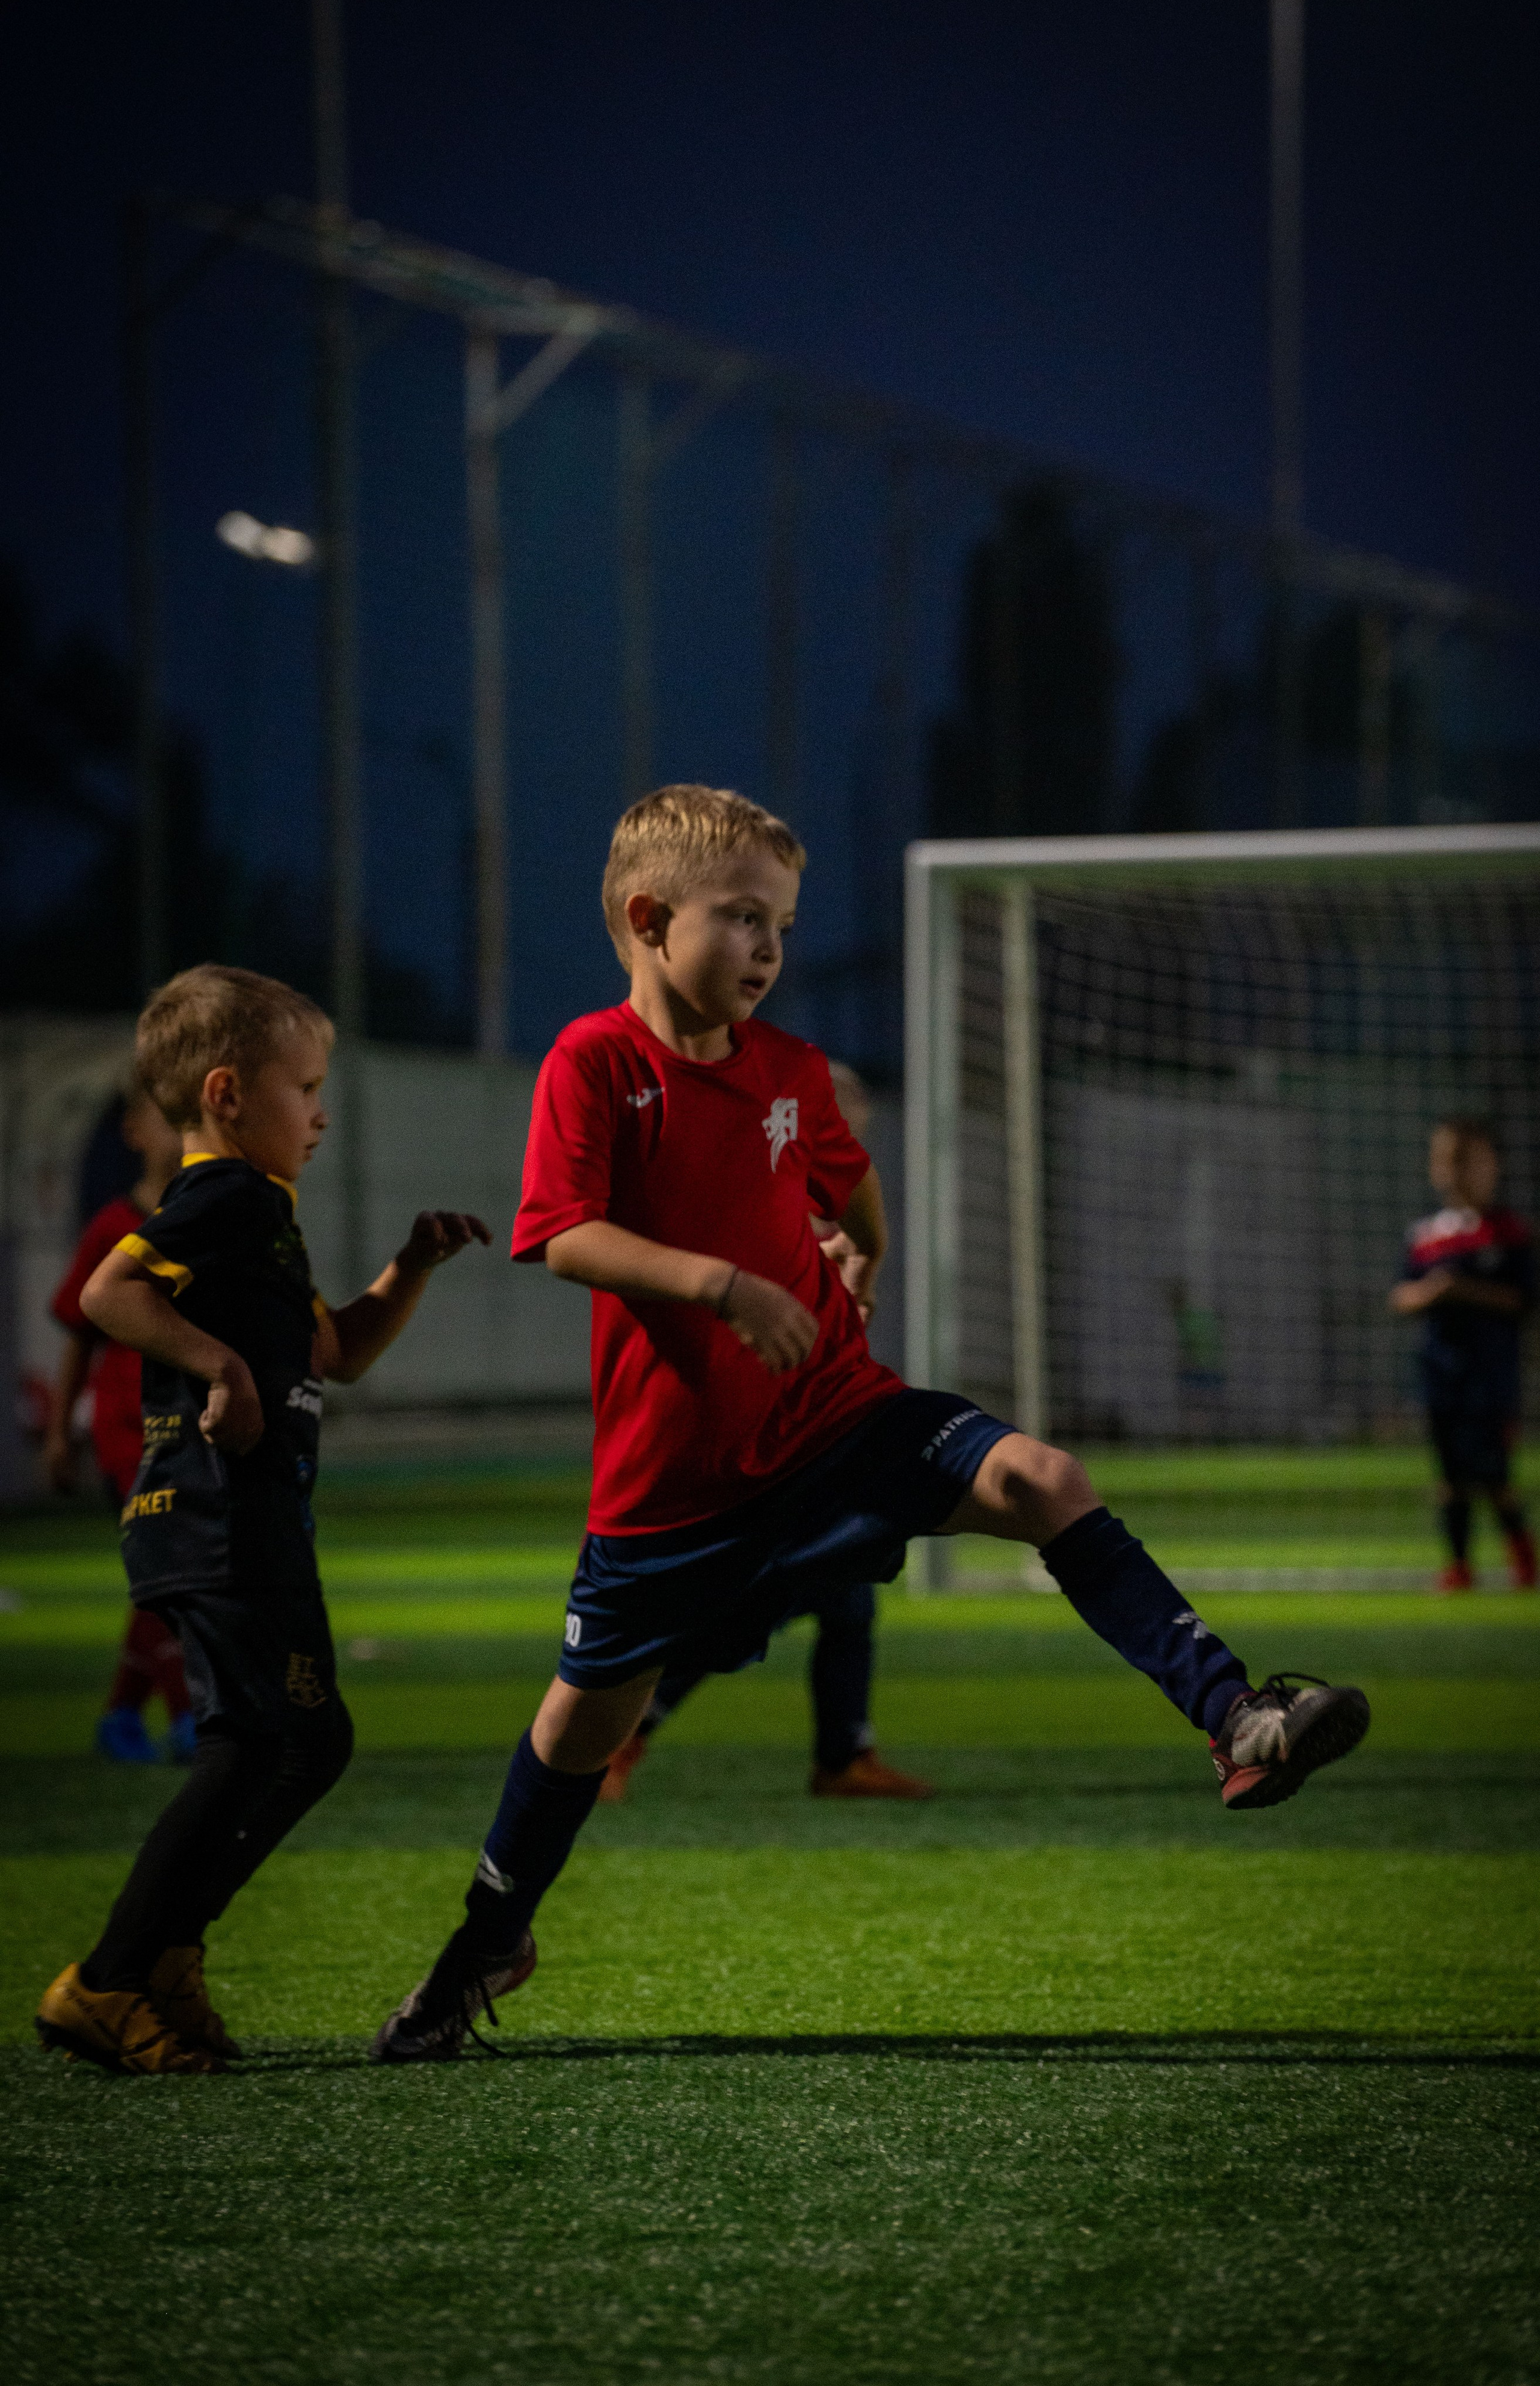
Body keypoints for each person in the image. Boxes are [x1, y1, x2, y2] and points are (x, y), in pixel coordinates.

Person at [371, 785, 1372, 2064]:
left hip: (839, 1415)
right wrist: (722, 1282)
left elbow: (846, 1180)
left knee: (1039, 1475)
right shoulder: (595, 1063)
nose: (769, 948)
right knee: (576, 1732)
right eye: (741, 918)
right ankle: (483, 1945)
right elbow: (561, 1235)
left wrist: (861, 1256)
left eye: (780, 922)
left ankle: (1235, 1717)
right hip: (669, 1490)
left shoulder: (789, 1071)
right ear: (645, 916)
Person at [35, 964, 490, 2076]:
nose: (322, 1110)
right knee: (255, 1744)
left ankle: (167, 1953)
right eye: (307, 1085)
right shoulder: (227, 1197)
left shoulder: (261, 1213)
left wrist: (411, 1265)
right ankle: (108, 1978)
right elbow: (106, 1294)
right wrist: (219, 1363)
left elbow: (332, 1353)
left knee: (308, 1738)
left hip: (255, 1512)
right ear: (231, 1093)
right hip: (216, 1508)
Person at [600, 1059, 930, 1805]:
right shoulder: (754, 1202)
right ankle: (622, 1736)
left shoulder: (832, 1211)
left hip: (818, 1433)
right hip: (760, 1444)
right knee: (754, 1599)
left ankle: (844, 1755)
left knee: (849, 1595)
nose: (846, 1145)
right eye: (834, 1126)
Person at [46, 1087, 197, 1762]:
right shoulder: (114, 1225)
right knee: (169, 1576)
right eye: (167, 1119)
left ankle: (120, 1719)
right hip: (125, 1430)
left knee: (168, 1576)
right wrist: (59, 1432)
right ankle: (190, 1715)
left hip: (189, 1428)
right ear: (136, 1132)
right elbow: (79, 1335)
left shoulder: (205, 1215)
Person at [1389, 1117, 1535, 1593]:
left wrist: (1464, 1290)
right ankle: (1459, 1565)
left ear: (1491, 1166)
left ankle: (1524, 1560)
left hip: (1492, 1377)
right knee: (1449, 1476)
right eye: (1445, 1160)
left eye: (1465, 1160)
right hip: (1440, 1373)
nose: (1454, 1171)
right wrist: (1431, 1294)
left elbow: (1523, 1299)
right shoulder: (1426, 1235)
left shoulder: (1509, 1231)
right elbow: (1401, 1295)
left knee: (1494, 1475)